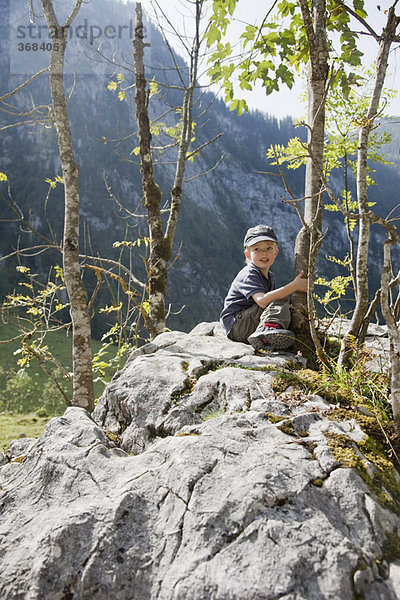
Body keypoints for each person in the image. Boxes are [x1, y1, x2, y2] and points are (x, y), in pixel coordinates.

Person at [220, 224, 308, 351]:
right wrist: (293, 286)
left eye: (268, 248)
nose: (264, 253)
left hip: (246, 322)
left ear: (275, 252)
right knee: (279, 300)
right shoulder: (249, 273)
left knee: (284, 304)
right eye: (256, 249)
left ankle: (268, 334)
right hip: (237, 326)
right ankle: (266, 330)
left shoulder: (270, 277)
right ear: (248, 254)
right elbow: (262, 301)